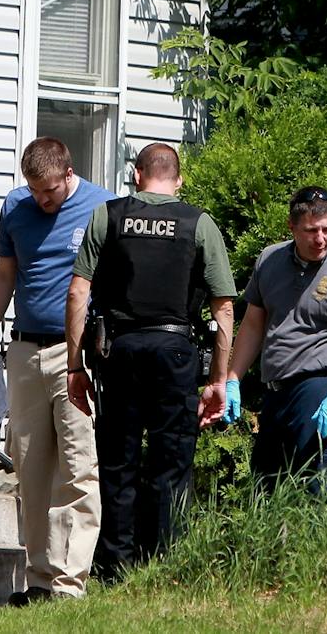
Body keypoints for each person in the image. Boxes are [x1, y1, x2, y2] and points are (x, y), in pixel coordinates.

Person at [64, 143, 236, 580]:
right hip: (175, 351)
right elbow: (224, 309)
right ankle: (164, 564)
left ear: (137, 175)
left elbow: (78, 293)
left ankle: (114, 568)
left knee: (117, 460)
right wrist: (218, 379)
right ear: (178, 180)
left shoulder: (108, 215)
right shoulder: (200, 224)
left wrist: (74, 366)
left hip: (119, 351)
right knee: (171, 462)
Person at [0, 137, 115, 603]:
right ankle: (39, 580)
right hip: (25, 353)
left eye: (49, 191)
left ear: (69, 174)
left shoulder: (102, 207)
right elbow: (5, 275)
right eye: (35, 191)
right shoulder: (16, 207)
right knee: (30, 470)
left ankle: (70, 586)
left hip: (78, 358)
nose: (42, 200)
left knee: (77, 468)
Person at [204, 185, 327, 493]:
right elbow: (253, 326)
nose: (321, 238)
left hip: (321, 392)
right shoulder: (269, 260)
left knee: (323, 495)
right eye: (312, 230)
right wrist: (233, 379)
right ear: (292, 227)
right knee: (267, 493)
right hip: (276, 395)